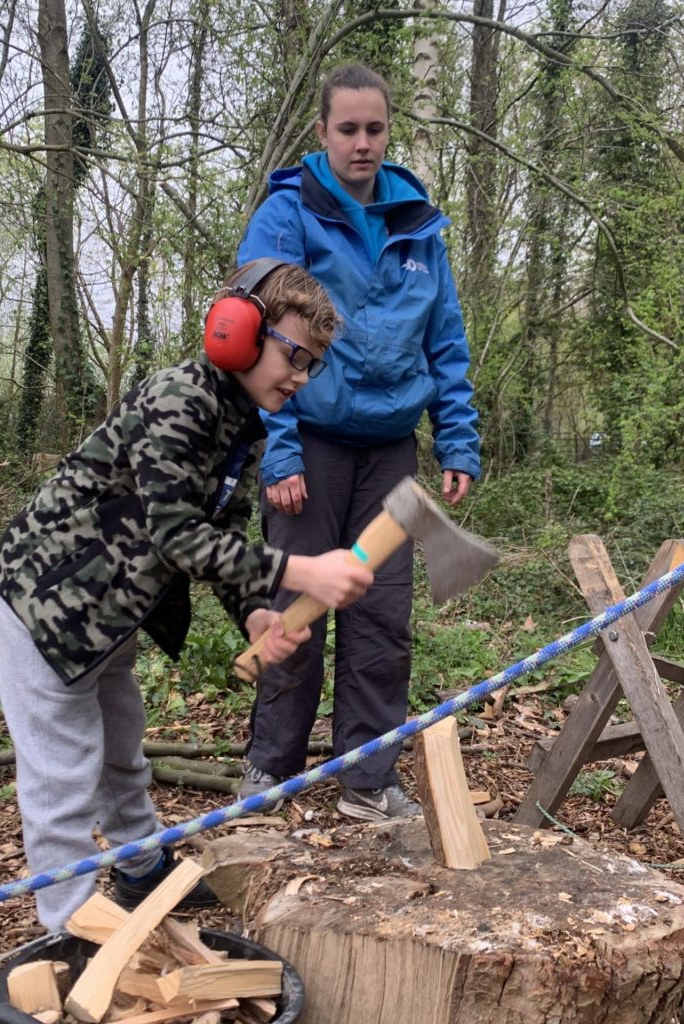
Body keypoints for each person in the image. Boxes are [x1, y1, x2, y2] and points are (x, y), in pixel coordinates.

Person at [0, 260, 374, 932]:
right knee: (62, 774)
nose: (301, 377)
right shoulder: (179, 400)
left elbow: (218, 534)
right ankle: (72, 931)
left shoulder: (239, 422)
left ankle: (140, 871)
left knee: (121, 745)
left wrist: (253, 609)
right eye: (294, 356)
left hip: (108, 613)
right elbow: (175, 535)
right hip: (46, 606)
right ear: (241, 334)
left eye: (313, 364)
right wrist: (303, 573)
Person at [237, 64, 481, 821]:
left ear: (387, 132)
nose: (363, 143)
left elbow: (446, 342)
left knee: (380, 617)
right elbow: (257, 337)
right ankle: (268, 774)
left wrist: (458, 442)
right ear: (322, 132)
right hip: (307, 441)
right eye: (348, 129)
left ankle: (369, 780)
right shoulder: (287, 215)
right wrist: (277, 447)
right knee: (298, 610)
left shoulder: (420, 226)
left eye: (375, 129)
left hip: (390, 450)